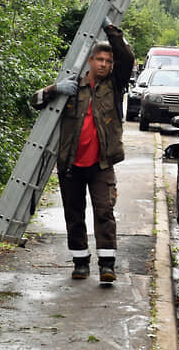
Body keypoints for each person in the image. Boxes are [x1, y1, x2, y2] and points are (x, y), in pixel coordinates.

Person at [30, 20, 134, 282]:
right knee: (73, 214)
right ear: (90, 60)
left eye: (108, 61)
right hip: (71, 164)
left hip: (101, 163)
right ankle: (80, 263)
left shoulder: (115, 85)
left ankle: (107, 265)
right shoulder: (72, 87)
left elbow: (127, 58)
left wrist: (112, 32)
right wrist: (56, 89)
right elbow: (34, 101)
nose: (104, 65)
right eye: (99, 60)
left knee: (104, 211)